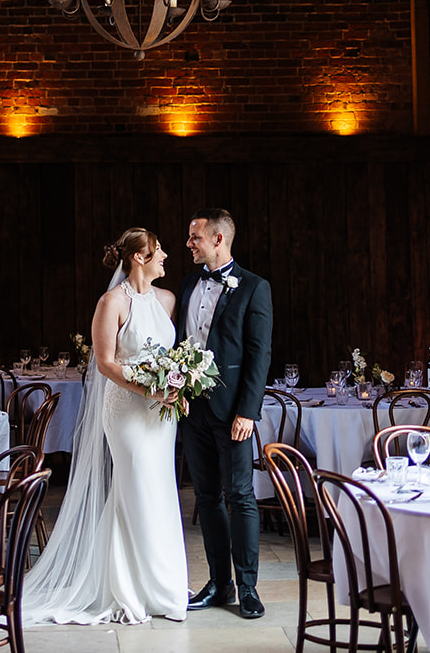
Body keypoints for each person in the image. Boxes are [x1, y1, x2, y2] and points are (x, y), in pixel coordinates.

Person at [22, 227, 188, 625]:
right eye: (158, 249)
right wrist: (149, 390)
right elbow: (106, 363)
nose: (165, 255)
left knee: (160, 488)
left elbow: (169, 354)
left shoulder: (167, 300)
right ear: (138, 258)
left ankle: (158, 584)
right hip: (127, 410)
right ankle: (127, 589)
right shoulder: (111, 302)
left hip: (161, 415)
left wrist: (179, 381)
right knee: (135, 487)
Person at [179, 207, 273, 620]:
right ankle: (219, 583)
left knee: (240, 496)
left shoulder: (254, 287)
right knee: (207, 498)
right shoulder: (186, 285)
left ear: (218, 239)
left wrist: (248, 411)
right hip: (191, 410)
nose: (188, 244)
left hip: (234, 410)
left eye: (194, 237)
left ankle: (248, 588)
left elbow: (259, 354)